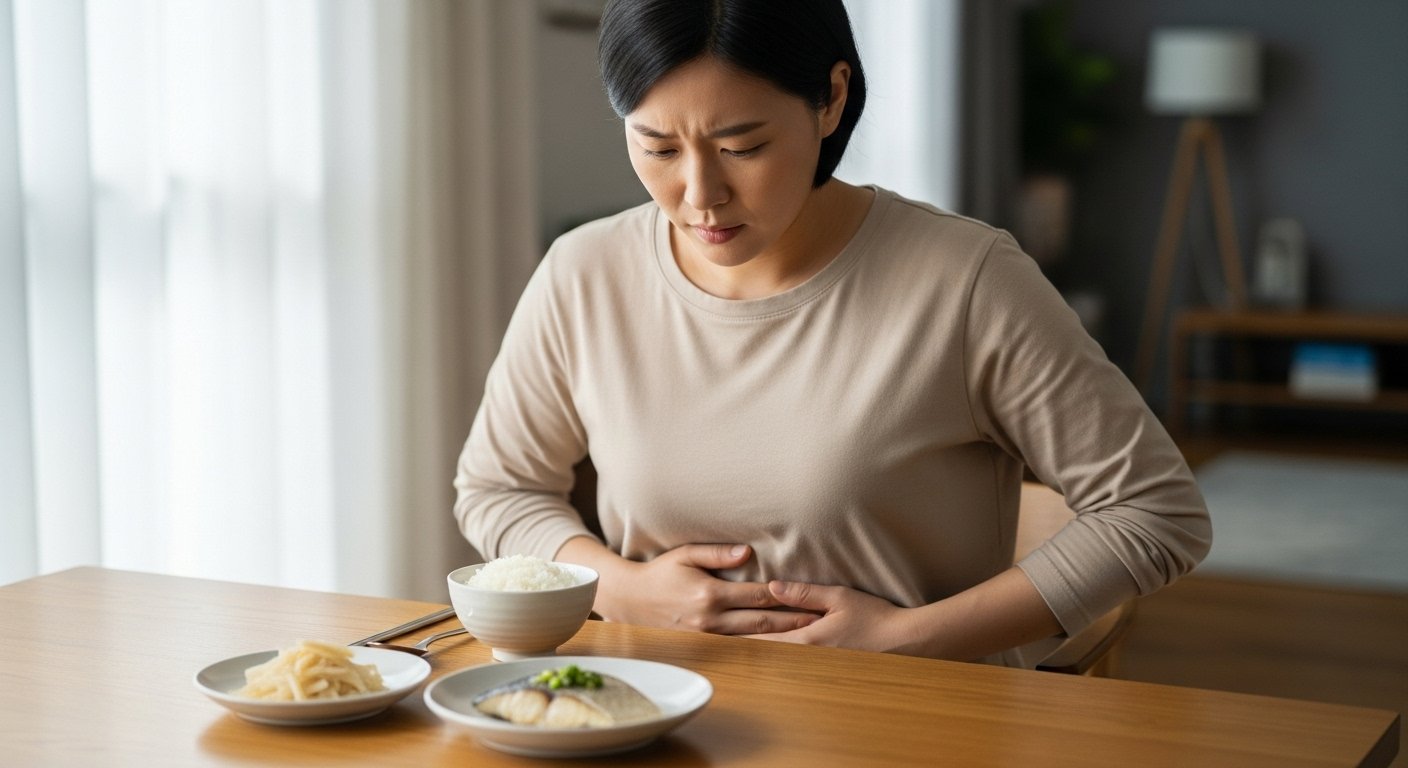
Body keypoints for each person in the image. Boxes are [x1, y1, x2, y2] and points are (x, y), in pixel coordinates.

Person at [453, 0, 1211, 667]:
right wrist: (622, 590)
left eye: (742, 147)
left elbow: (1154, 512)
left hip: (905, 727)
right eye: (656, 147)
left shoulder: (965, 280)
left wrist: (908, 639)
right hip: (646, 715)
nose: (699, 194)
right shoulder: (586, 272)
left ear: (831, 99)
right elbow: (499, 488)